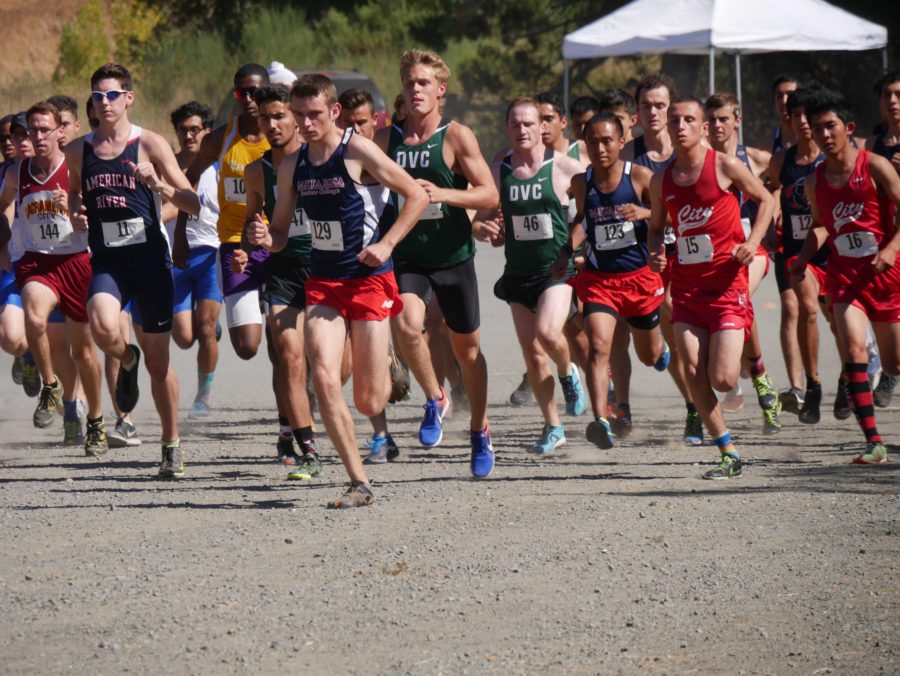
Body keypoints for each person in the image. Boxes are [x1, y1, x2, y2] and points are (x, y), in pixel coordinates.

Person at [247, 73, 429, 507]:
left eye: (314, 115)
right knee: (324, 377)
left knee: (368, 400)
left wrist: (386, 243)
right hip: (324, 282)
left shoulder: (358, 150)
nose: (306, 124)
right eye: (299, 115)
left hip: (368, 279)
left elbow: (416, 196)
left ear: (333, 112)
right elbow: (281, 232)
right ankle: (358, 482)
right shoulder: (292, 166)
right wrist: (264, 238)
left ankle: (388, 358)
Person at [65, 63, 200, 478]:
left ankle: (171, 442)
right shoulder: (78, 150)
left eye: (112, 95)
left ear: (129, 98)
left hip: (149, 261)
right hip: (108, 259)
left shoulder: (150, 144)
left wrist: (158, 186)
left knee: (160, 367)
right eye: (98, 96)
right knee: (103, 326)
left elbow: (193, 203)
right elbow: (73, 197)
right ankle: (126, 359)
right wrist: (76, 216)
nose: (104, 103)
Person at [375, 49, 498, 478]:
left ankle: (479, 430)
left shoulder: (455, 135)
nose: (416, 90)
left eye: (424, 83)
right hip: (409, 255)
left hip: (454, 258)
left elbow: (489, 194)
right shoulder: (385, 140)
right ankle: (434, 397)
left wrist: (445, 194)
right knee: (407, 323)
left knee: (468, 352)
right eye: (409, 83)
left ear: (440, 90)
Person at [648, 96, 775, 480]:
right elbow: (656, 227)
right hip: (686, 289)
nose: (680, 126)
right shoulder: (661, 180)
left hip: (726, 285)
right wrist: (656, 253)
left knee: (722, 378)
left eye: (689, 119)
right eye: (675, 120)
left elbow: (766, 200)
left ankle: (753, 369)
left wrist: (752, 243)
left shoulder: (724, 165)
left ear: (703, 128)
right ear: (668, 128)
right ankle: (728, 452)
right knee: (691, 369)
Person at [791, 89, 900, 465]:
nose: (823, 134)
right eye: (817, 128)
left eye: (830, 126)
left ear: (848, 127)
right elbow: (820, 227)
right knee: (852, 347)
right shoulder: (813, 181)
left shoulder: (874, 166)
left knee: (894, 363)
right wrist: (802, 259)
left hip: (887, 275)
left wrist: (890, 249)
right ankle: (874, 443)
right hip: (844, 277)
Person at [474, 97, 585, 453]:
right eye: (515, 124)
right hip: (518, 273)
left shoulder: (567, 168)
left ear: (542, 127)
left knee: (547, 333)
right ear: (507, 128)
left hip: (557, 269)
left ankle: (568, 371)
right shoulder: (498, 172)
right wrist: (487, 229)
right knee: (533, 356)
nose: (521, 130)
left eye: (528, 124)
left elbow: (592, 211)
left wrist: (577, 247)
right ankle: (553, 426)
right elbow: (478, 221)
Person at [553, 112, 669, 448]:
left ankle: (658, 345)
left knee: (648, 355)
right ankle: (602, 419)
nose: (601, 147)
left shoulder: (641, 178)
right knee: (600, 347)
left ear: (621, 142)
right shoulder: (581, 182)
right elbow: (582, 220)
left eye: (607, 140)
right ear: (586, 145)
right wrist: (565, 251)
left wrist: (645, 213)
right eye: (593, 142)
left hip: (639, 280)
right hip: (600, 279)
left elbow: (668, 217)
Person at [0, 101, 106, 454]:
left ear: (61, 132)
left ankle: (95, 420)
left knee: (84, 353)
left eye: (45, 129)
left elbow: (96, 214)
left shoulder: (76, 167)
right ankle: (49, 385)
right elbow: (3, 205)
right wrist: (4, 241)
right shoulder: (19, 172)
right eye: (33, 131)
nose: (39, 136)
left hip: (76, 261)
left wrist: (80, 214)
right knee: (33, 315)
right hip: (37, 263)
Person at [236, 84, 319, 476]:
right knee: (288, 355)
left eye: (279, 116)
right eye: (264, 118)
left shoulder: (320, 159)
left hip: (326, 268)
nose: (271, 125)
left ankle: (294, 426)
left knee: (331, 368)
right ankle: (302, 442)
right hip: (283, 270)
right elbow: (252, 223)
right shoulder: (257, 171)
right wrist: (245, 249)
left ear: (297, 118)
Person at [625, 73, 700, 445]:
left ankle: (702, 398)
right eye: (646, 105)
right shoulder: (627, 154)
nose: (653, 111)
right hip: (647, 259)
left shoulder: (689, 149)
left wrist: (649, 213)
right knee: (663, 336)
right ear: (636, 112)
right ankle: (693, 406)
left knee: (688, 331)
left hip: (695, 256)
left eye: (660, 105)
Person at [178, 64, 271, 361]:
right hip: (234, 240)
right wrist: (180, 231)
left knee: (284, 342)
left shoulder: (282, 134)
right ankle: (260, 307)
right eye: (242, 92)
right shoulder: (220, 138)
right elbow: (188, 179)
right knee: (246, 346)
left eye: (256, 91)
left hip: (279, 239)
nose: (249, 99)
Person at [705, 92, 782, 434]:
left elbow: (783, 182)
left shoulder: (756, 159)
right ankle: (740, 376)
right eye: (712, 119)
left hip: (750, 252)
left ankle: (761, 380)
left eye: (724, 118)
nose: (717, 125)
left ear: (738, 121)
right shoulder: (700, 161)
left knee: (738, 301)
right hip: (711, 255)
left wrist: (776, 203)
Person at [768, 87, 834, 424]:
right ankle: (811, 386)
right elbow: (770, 191)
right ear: (790, 121)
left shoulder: (833, 159)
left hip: (834, 252)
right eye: (797, 116)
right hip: (797, 253)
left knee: (837, 321)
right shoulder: (782, 161)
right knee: (804, 308)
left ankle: (850, 376)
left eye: (810, 115)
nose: (804, 122)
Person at [164, 101, 222, 418]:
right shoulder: (167, 167)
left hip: (210, 254)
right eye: (183, 130)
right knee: (184, 337)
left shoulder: (219, 169)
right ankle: (207, 332)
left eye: (194, 129)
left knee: (206, 326)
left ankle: (202, 398)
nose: (188, 135)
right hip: (177, 258)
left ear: (207, 132)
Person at [864, 70, 900, 407]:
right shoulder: (874, 141)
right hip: (885, 246)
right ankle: (886, 368)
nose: (893, 101)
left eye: (898, 95)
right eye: (887, 95)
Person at [535, 92, 588, 168]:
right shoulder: (525, 159)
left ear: (563, 122)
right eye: (538, 120)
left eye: (549, 119)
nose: (543, 124)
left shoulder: (584, 150)